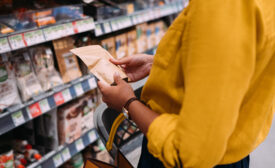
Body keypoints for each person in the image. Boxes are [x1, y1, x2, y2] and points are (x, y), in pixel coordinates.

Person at [97, 0, 275, 167]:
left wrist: (128, 103)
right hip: (231, 148)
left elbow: (192, 152)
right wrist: (160, 63)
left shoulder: (223, 6)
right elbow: (236, 65)